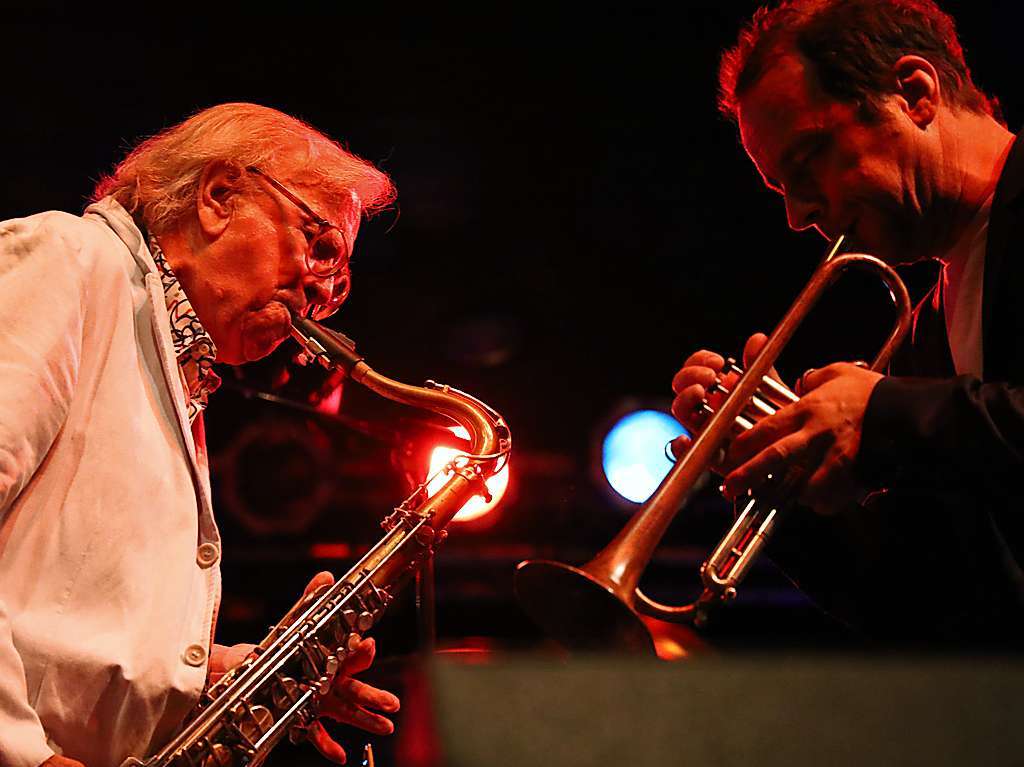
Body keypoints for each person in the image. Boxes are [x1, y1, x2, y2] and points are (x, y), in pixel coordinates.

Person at [0, 103, 401, 767]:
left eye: (339, 281)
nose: (320, 292)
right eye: (321, 245)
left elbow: (60, 620)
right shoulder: (68, 262)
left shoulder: (176, 364)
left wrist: (239, 677)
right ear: (219, 196)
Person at [671, 0, 1024, 644]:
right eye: (782, 189)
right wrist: (781, 477)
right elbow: (926, 608)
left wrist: (885, 414)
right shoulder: (928, 333)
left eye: (808, 162)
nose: (798, 216)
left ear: (914, 94)